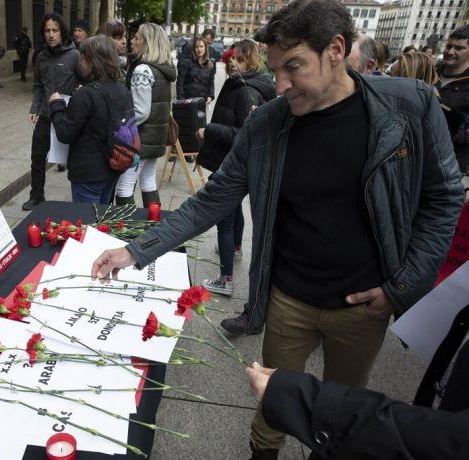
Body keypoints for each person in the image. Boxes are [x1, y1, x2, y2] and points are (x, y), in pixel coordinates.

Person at [89, 1, 465, 457]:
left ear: (336, 50)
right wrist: (135, 251)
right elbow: (213, 198)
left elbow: (443, 198)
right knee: (270, 404)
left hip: (364, 307)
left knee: (344, 417)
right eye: (275, 69)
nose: (281, 85)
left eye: (294, 68)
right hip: (288, 299)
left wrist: (403, 286)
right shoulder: (267, 123)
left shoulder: (409, 106)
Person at [246, 304, 469, 459]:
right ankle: (263, 452)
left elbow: (446, 441)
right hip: (290, 293)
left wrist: (303, 400)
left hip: (365, 313)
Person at [195, 39, 276, 303]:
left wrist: (210, 130)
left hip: (232, 162)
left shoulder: (245, 91)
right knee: (233, 211)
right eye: (231, 58)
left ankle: (225, 279)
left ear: (251, 62)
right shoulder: (250, 85)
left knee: (224, 221)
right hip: (237, 162)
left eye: (239, 60)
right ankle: (237, 250)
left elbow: (243, 133)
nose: (232, 63)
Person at [49, 35, 132, 204]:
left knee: (87, 223)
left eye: (83, 57)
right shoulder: (123, 90)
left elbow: (65, 133)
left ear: (93, 61)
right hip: (113, 166)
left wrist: (56, 105)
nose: (80, 62)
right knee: (102, 220)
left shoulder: (85, 94)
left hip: (88, 173)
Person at [23, 13, 81, 211]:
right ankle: (36, 196)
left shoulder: (74, 55)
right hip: (46, 116)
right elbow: (38, 85)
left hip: (67, 117)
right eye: (47, 31)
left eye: (54, 30)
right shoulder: (41, 56)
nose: (51, 34)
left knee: (75, 159)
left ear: (62, 32)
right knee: (37, 157)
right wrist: (34, 108)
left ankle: (80, 200)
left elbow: (85, 81)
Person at [115, 23, 176, 207]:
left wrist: (120, 127)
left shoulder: (142, 70)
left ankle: (127, 231)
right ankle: (154, 225)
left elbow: (141, 111)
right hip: (155, 137)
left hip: (140, 139)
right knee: (148, 182)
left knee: (124, 188)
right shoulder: (162, 69)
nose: (132, 41)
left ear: (147, 42)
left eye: (136, 37)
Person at [437, 25, 469, 176]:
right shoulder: (432, 72)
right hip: (423, 155)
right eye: (449, 46)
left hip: (453, 163)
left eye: (459, 48)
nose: (450, 52)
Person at [176, 36, 215, 105]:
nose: (199, 49)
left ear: (205, 48)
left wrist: (210, 96)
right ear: (193, 49)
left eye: (201, 46)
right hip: (187, 100)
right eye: (197, 47)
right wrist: (181, 99)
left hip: (202, 101)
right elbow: (180, 81)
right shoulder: (187, 63)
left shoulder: (209, 65)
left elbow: (211, 83)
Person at [98, 19, 128, 85]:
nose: (124, 41)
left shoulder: (120, 65)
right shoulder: (102, 69)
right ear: (105, 40)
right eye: (119, 38)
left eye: (124, 37)